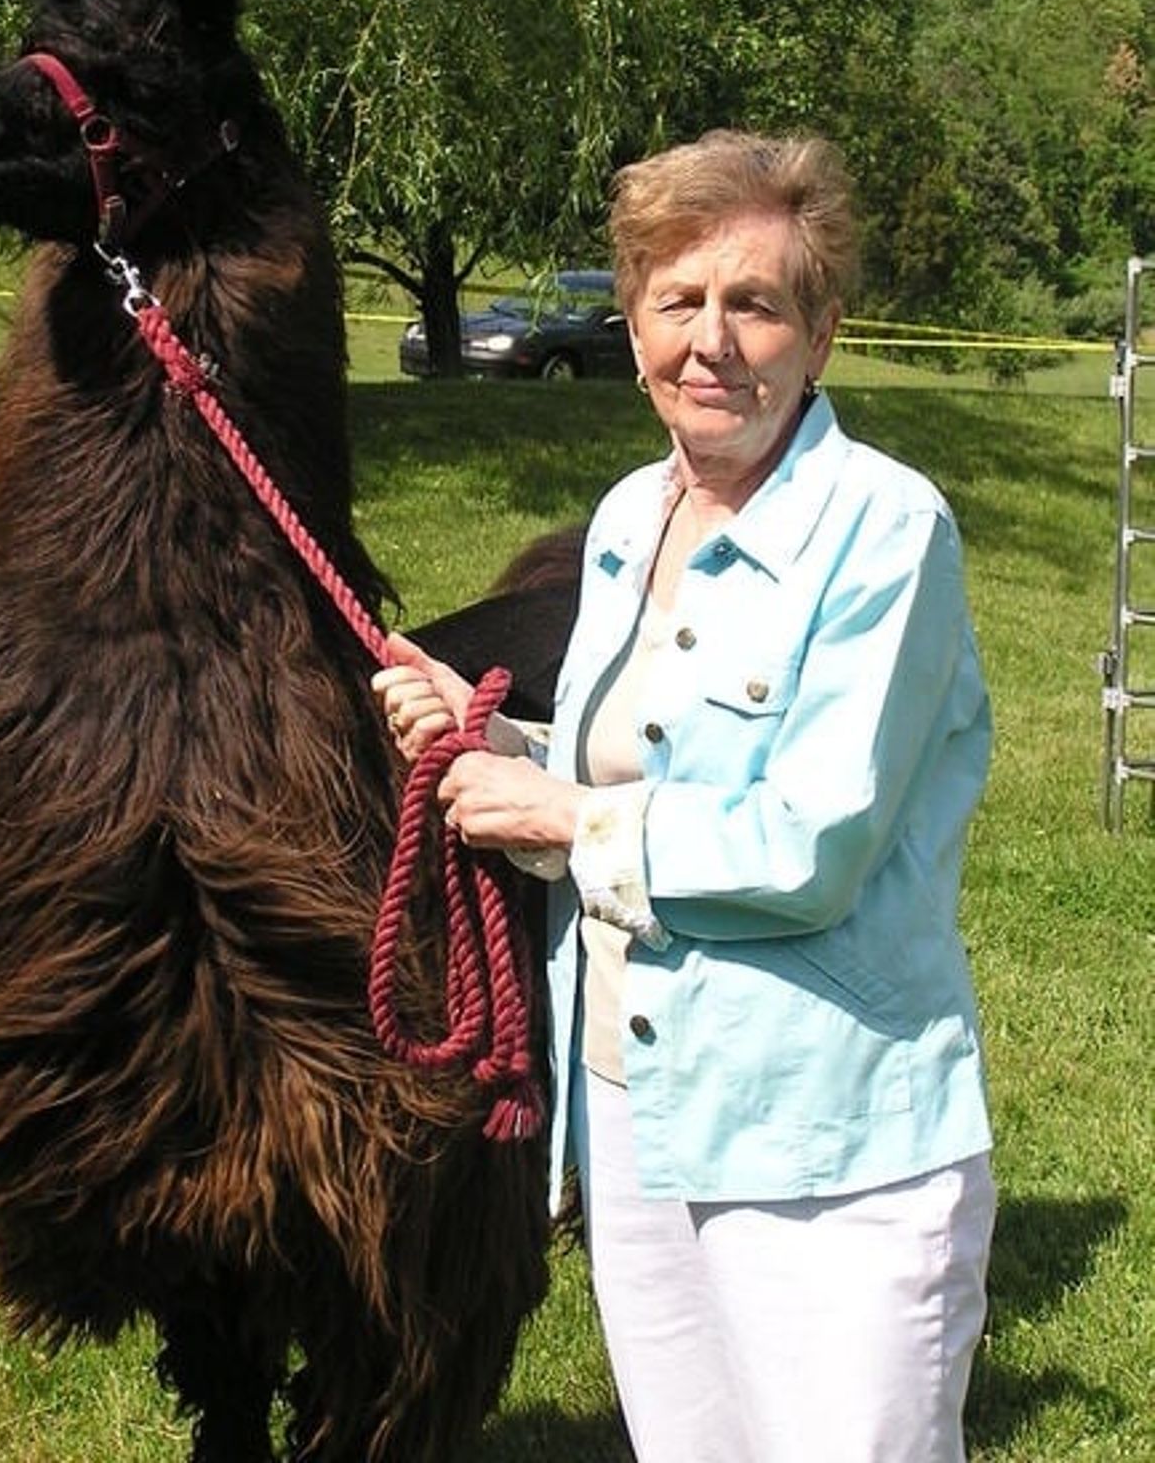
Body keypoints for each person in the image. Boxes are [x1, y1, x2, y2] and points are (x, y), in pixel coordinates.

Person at [373, 131, 995, 1463]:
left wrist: (548, 816)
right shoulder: (625, 519)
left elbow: (806, 846)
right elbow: (635, 785)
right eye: (678, 301)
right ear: (638, 326)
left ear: (818, 335)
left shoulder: (888, 532)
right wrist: (495, 747)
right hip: (633, 1124)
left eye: (755, 303)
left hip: (832, 1152)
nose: (713, 341)